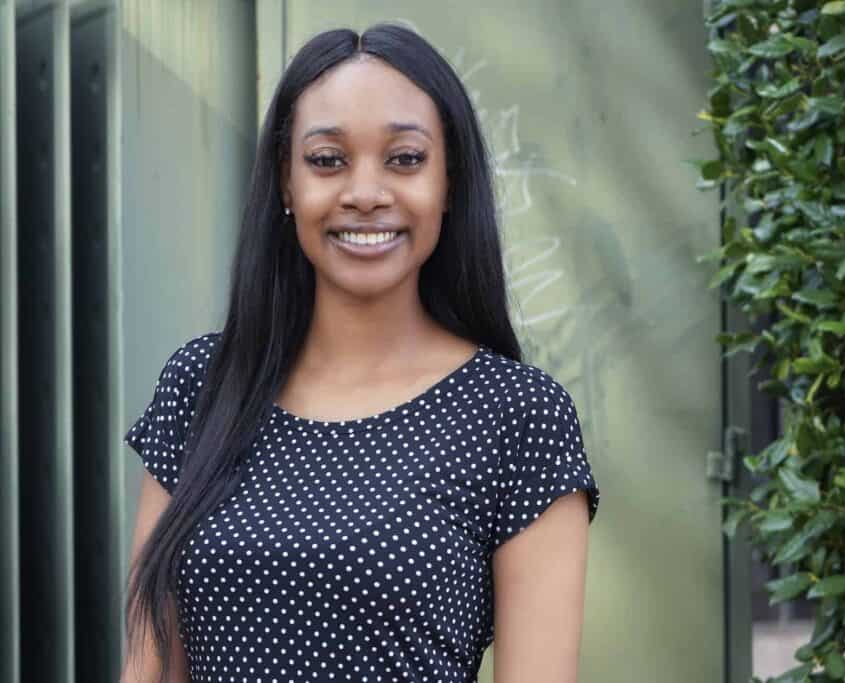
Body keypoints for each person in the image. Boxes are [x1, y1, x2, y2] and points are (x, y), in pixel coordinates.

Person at [119, 23, 600, 683]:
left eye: (404, 159)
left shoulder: (517, 416)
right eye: (327, 160)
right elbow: (147, 667)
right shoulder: (202, 384)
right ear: (286, 182)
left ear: (450, 183)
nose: (366, 193)